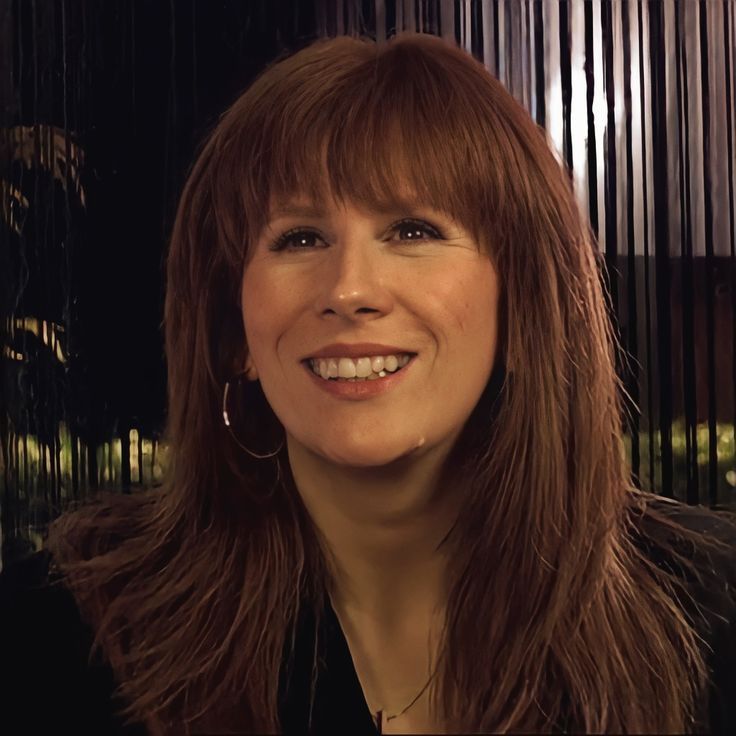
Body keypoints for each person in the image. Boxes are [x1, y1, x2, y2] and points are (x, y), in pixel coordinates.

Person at [2, 31, 735, 736]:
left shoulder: (711, 611)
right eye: (299, 238)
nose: (350, 289)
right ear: (235, 338)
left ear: (522, 308)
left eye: (412, 229)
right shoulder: (59, 637)